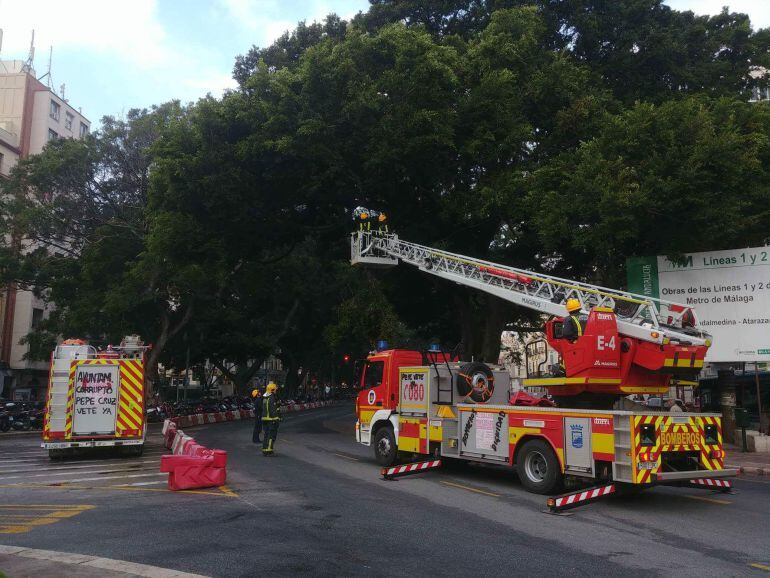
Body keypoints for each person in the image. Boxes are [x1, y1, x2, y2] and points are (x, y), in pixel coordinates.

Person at [262, 382, 281, 456]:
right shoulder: (272, 397)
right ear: (272, 390)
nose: (276, 391)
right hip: (271, 420)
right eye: (275, 389)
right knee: (271, 436)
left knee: (266, 435)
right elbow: (273, 410)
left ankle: (265, 449)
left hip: (265, 419)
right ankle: (269, 451)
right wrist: (276, 419)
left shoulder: (265, 397)